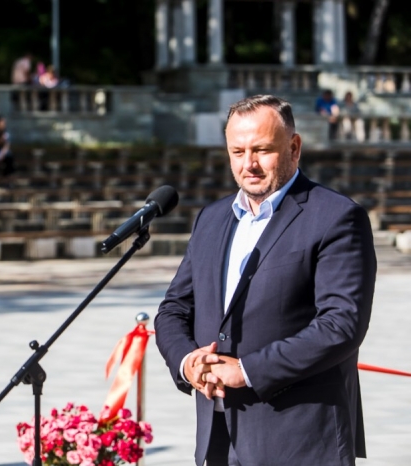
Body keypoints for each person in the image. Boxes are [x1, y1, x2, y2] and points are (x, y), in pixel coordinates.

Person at [154, 95, 376, 466]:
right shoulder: (211, 219)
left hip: (301, 439)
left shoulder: (337, 217)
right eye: (237, 151)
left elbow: (342, 324)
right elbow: (174, 309)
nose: (249, 164)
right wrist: (187, 361)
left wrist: (247, 370)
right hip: (219, 438)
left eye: (261, 150)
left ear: (294, 146)